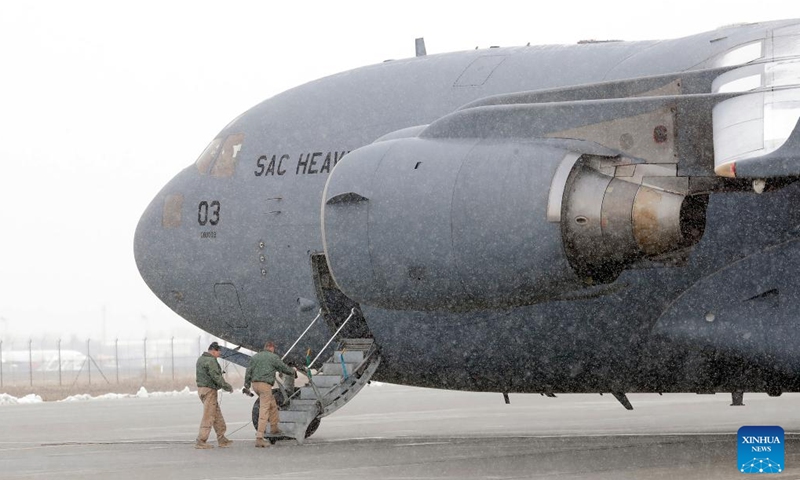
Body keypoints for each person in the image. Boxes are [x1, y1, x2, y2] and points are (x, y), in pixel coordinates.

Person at [243, 340, 296, 448]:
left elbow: (248, 372)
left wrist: (247, 385)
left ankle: (274, 429)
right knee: (264, 410)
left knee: (273, 406)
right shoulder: (273, 357)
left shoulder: (256, 357)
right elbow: (283, 368)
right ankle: (259, 438)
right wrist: (292, 371)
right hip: (265, 386)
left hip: (255, 385)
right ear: (271, 348)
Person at [194, 341, 234, 449]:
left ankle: (221, 438)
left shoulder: (201, 359)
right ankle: (201, 440)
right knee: (209, 416)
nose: (219, 354)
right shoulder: (211, 361)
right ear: (213, 351)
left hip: (202, 389)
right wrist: (226, 386)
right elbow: (215, 377)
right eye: (218, 351)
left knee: (216, 414)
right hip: (209, 391)